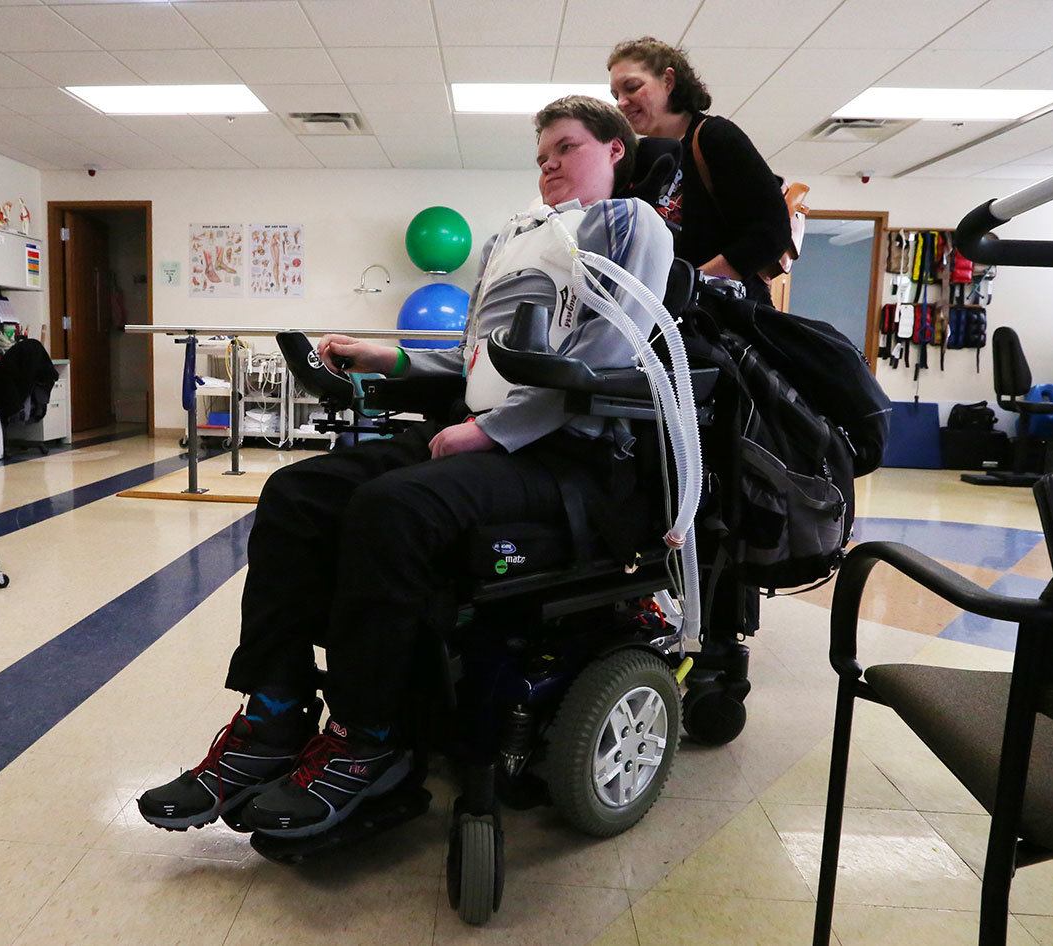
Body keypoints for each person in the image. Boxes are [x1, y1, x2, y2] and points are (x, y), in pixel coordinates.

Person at [137, 95, 674, 839]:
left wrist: (491, 433)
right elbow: (472, 359)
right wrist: (385, 354)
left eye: (566, 146)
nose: (548, 161)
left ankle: (369, 738)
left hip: (566, 457)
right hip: (478, 430)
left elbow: (603, 361)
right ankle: (274, 712)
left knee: (393, 508)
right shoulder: (511, 241)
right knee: (297, 490)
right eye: (541, 152)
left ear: (615, 151)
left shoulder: (629, 226)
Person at [608, 37, 791, 305]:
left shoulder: (714, 136)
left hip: (723, 318)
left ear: (668, 81)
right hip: (659, 315)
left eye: (632, 87)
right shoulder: (636, 159)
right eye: (616, 96)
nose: (621, 103)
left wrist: (689, 285)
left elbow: (771, 232)